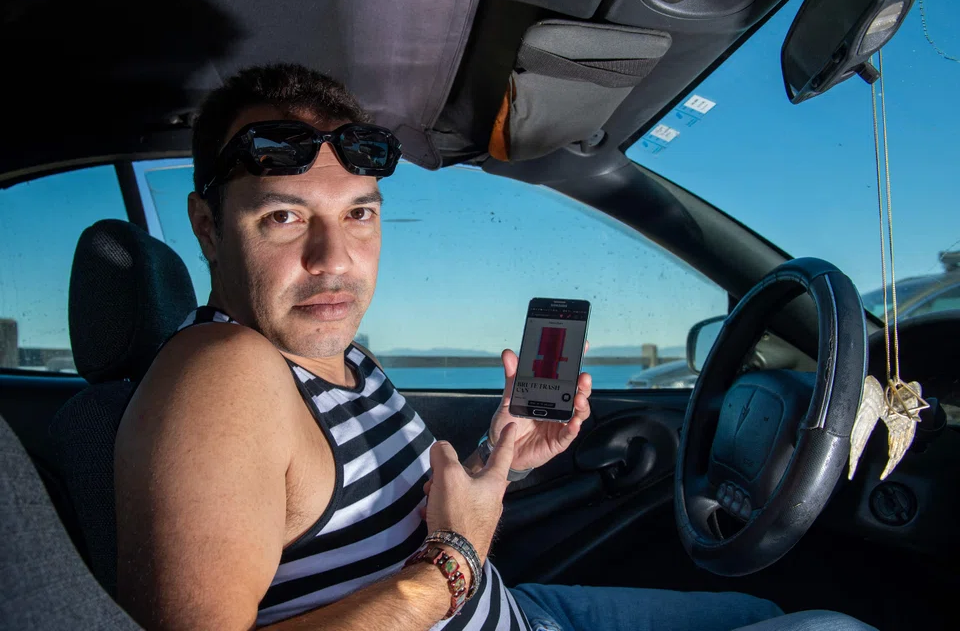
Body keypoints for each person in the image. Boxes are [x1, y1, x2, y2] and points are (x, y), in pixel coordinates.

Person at [114, 63, 874, 631]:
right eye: (284, 217)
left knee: (759, 608)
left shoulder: (329, 352)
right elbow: (444, 556)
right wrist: (451, 564)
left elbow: (357, 524)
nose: (335, 259)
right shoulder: (219, 374)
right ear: (208, 226)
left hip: (520, 611)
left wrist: (497, 458)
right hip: (487, 601)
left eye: (359, 215)